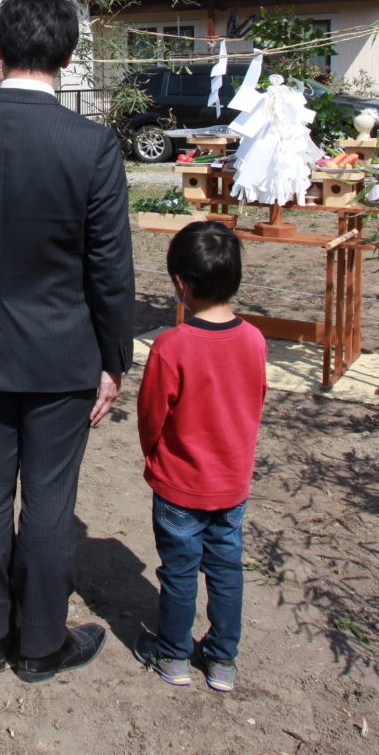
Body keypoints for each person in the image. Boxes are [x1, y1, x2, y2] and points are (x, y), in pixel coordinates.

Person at [0, 0, 134, 682]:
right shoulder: (91, 145)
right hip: (63, 349)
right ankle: (39, 643)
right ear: (68, 55)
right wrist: (114, 360)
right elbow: (109, 269)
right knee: (49, 498)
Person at [135, 222, 267, 693]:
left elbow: (151, 414)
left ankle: (173, 655)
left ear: (180, 284)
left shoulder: (172, 346)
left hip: (179, 484)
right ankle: (222, 660)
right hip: (231, 482)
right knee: (227, 569)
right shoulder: (254, 340)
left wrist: (152, 454)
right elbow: (253, 402)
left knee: (179, 570)